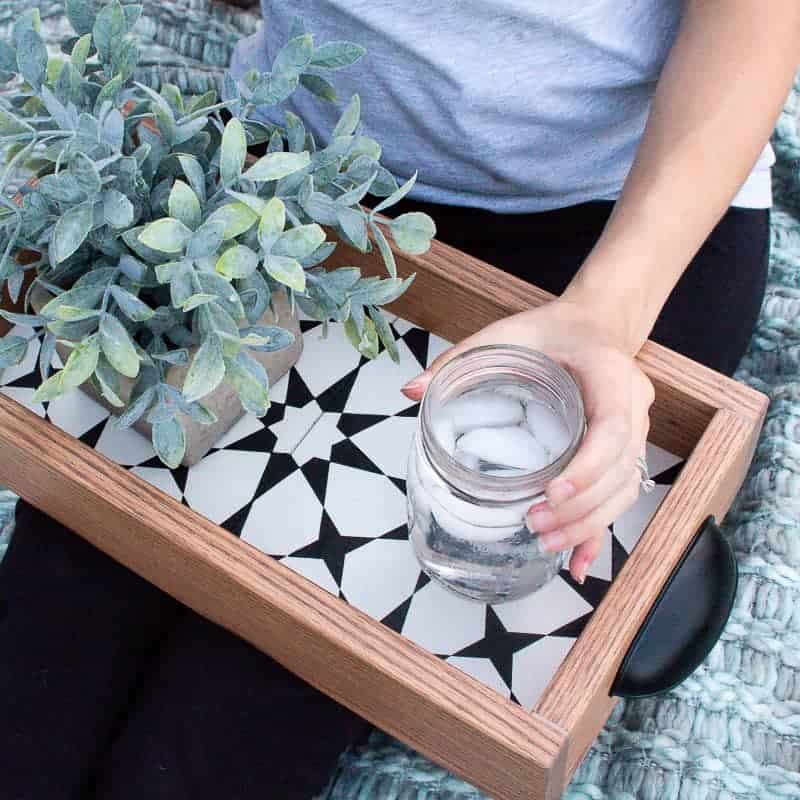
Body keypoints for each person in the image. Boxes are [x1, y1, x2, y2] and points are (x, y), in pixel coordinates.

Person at [2, 3, 798, 799]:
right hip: (293, 158)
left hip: (626, 210)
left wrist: (607, 313)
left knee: (225, 722)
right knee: (51, 649)